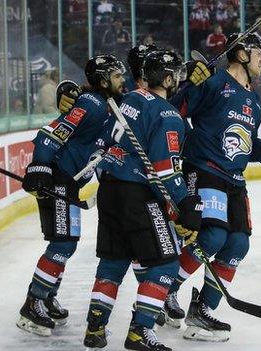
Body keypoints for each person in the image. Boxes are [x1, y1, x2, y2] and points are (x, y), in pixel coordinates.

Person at [164, 33, 261, 342]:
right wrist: (190, 84)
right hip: (205, 170)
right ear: (243, 55)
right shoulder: (214, 81)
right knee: (212, 235)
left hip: (234, 180)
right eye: (260, 52)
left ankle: (203, 310)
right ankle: (164, 291)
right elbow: (173, 110)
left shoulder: (255, 102)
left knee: (237, 245)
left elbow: (242, 145)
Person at [82, 50, 202, 351]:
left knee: (113, 261)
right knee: (166, 263)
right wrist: (185, 205)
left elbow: (107, 145)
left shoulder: (130, 100)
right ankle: (140, 331)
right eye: (176, 74)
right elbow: (164, 170)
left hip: (110, 190)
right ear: (168, 77)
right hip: (138, 194)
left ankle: (95, 328)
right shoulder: (168, 114)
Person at [16, 54, 126, 337]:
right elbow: (52, 133)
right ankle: (34, 301)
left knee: (67, 243)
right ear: (103, 80)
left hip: (70, 182)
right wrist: (40, 166)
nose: (121, 80)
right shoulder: (91, 104)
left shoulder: (109, 104)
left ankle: (46, 296)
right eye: (116, 76)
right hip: (57, 178)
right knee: (62, 244)